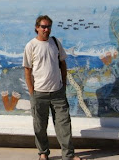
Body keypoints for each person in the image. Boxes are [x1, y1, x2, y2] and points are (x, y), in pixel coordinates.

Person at [23, 15, 81, 160]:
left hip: (57, 93)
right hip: (39, 93)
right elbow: (27, 70)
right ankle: (43, 153)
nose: (46, 29)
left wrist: (64, 83)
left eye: (49, 26)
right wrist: (31, 91)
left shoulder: (55, 42)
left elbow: (63, 63)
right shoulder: (31, 46)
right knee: (40, 127)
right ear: (37, 28)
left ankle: (68, 155)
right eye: (43, 26)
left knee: (64, 125)